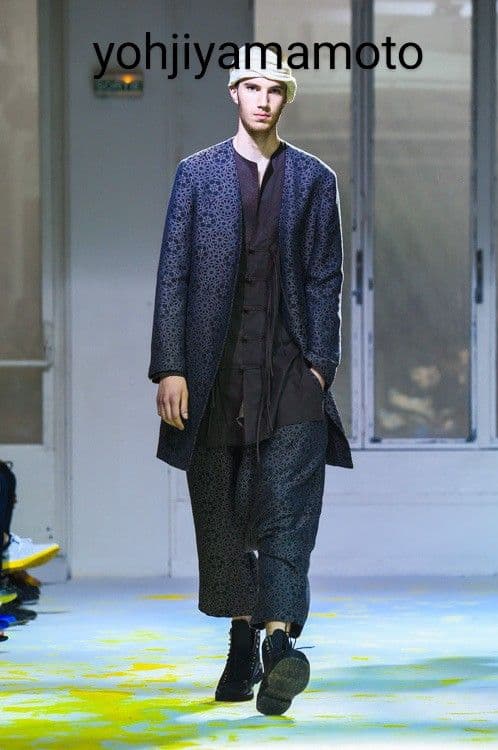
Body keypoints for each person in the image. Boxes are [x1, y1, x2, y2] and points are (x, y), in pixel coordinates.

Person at [148, 43, 353, 716]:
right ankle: (244, 643)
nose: (263, 99)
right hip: (214, 375)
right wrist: (171, 365)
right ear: (234, 93)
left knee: (288, 512)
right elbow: (174, 273)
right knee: (225, 512)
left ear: (286, 98)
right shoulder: (196, 175)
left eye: (275, 89)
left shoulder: (314, 179)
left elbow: (325, 275)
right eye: (253, 87)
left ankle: (277, 641)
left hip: (291, 373)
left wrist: (321, 364)